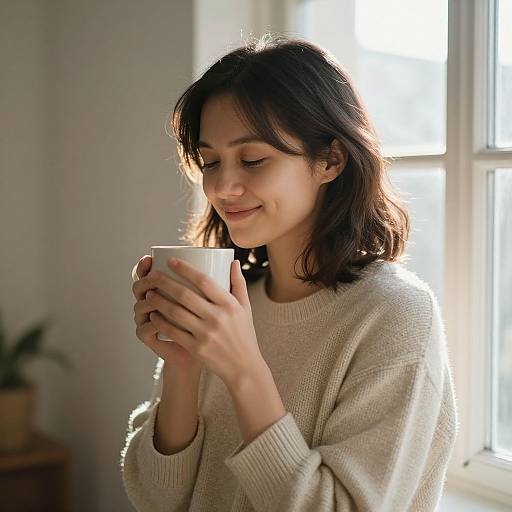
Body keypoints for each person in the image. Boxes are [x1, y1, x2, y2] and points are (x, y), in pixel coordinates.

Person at [120, 33, 459, 512]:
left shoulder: (395, 315)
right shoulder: (227, 301)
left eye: (253, 159)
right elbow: (156, 498)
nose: (222, 186)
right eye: (211, 161)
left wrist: (243, 371)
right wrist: (181, 365)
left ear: (331, 159)